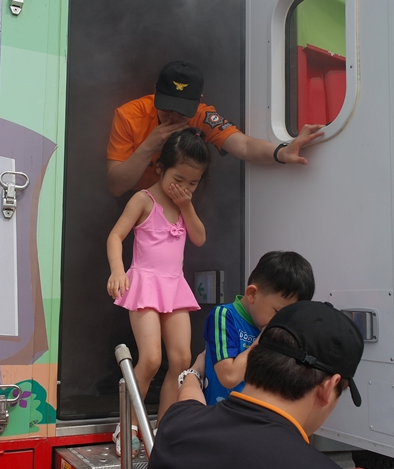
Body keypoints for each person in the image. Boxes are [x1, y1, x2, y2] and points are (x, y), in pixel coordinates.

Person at [148, 301, 365, 469]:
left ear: (253, 355)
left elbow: (188, 397)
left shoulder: (176, 424)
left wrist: (194, 372)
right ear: (329, 387)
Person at [106, 127, 211, 456]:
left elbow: (199, 238)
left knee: (181, 359)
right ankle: (127, 425)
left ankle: (164, 428)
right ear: (160, 167)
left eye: (193, 183)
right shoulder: (143, 199)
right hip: (144, 283)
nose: (185, 188)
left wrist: (187, 205)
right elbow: (115, 236)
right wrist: (118, 271)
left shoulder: (184, 205)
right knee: (151, 359)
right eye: (179, 179)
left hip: (174, 286)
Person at [106, 61, 325, 197]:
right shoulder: (128, 116)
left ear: (198, 101)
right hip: (135, 198)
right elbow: (116, 186)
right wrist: (148, 147)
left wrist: (281, 152)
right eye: (166, 108)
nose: (173, 117)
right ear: (156, 92)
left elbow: (245, 145)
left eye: (182, 112)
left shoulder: (203, 116)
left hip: (180, 200)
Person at [203, 251, 315, 404]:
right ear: (252, 294)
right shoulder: (224, 316)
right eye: (277, 312)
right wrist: (263, 339)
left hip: (257, 413)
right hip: (221, 413)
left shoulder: (276, 326)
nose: (281, 322)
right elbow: (228, 377)